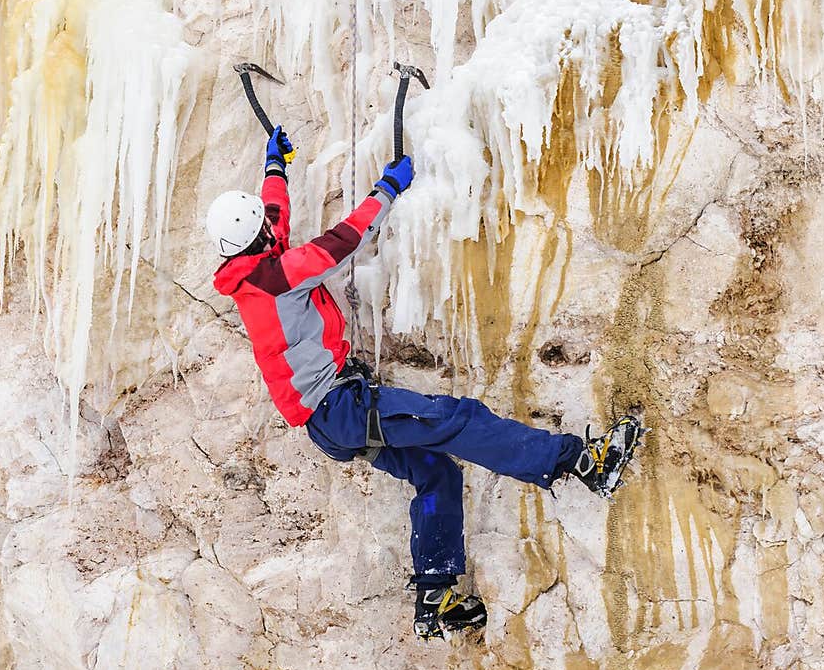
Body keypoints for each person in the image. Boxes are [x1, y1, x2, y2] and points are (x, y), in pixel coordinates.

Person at [207, 125, 642, 640]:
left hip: (327, 425)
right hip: (340, 406)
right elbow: (341, 243)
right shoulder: (279, 275)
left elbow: (272, 221)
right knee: (456, 420)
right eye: (263, 230)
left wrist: (274, 167)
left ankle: (436, 596)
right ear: (255, 241)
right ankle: (579, 462)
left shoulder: (252, 273)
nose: (271, 231)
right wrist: (386, 191)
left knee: (436, 473)